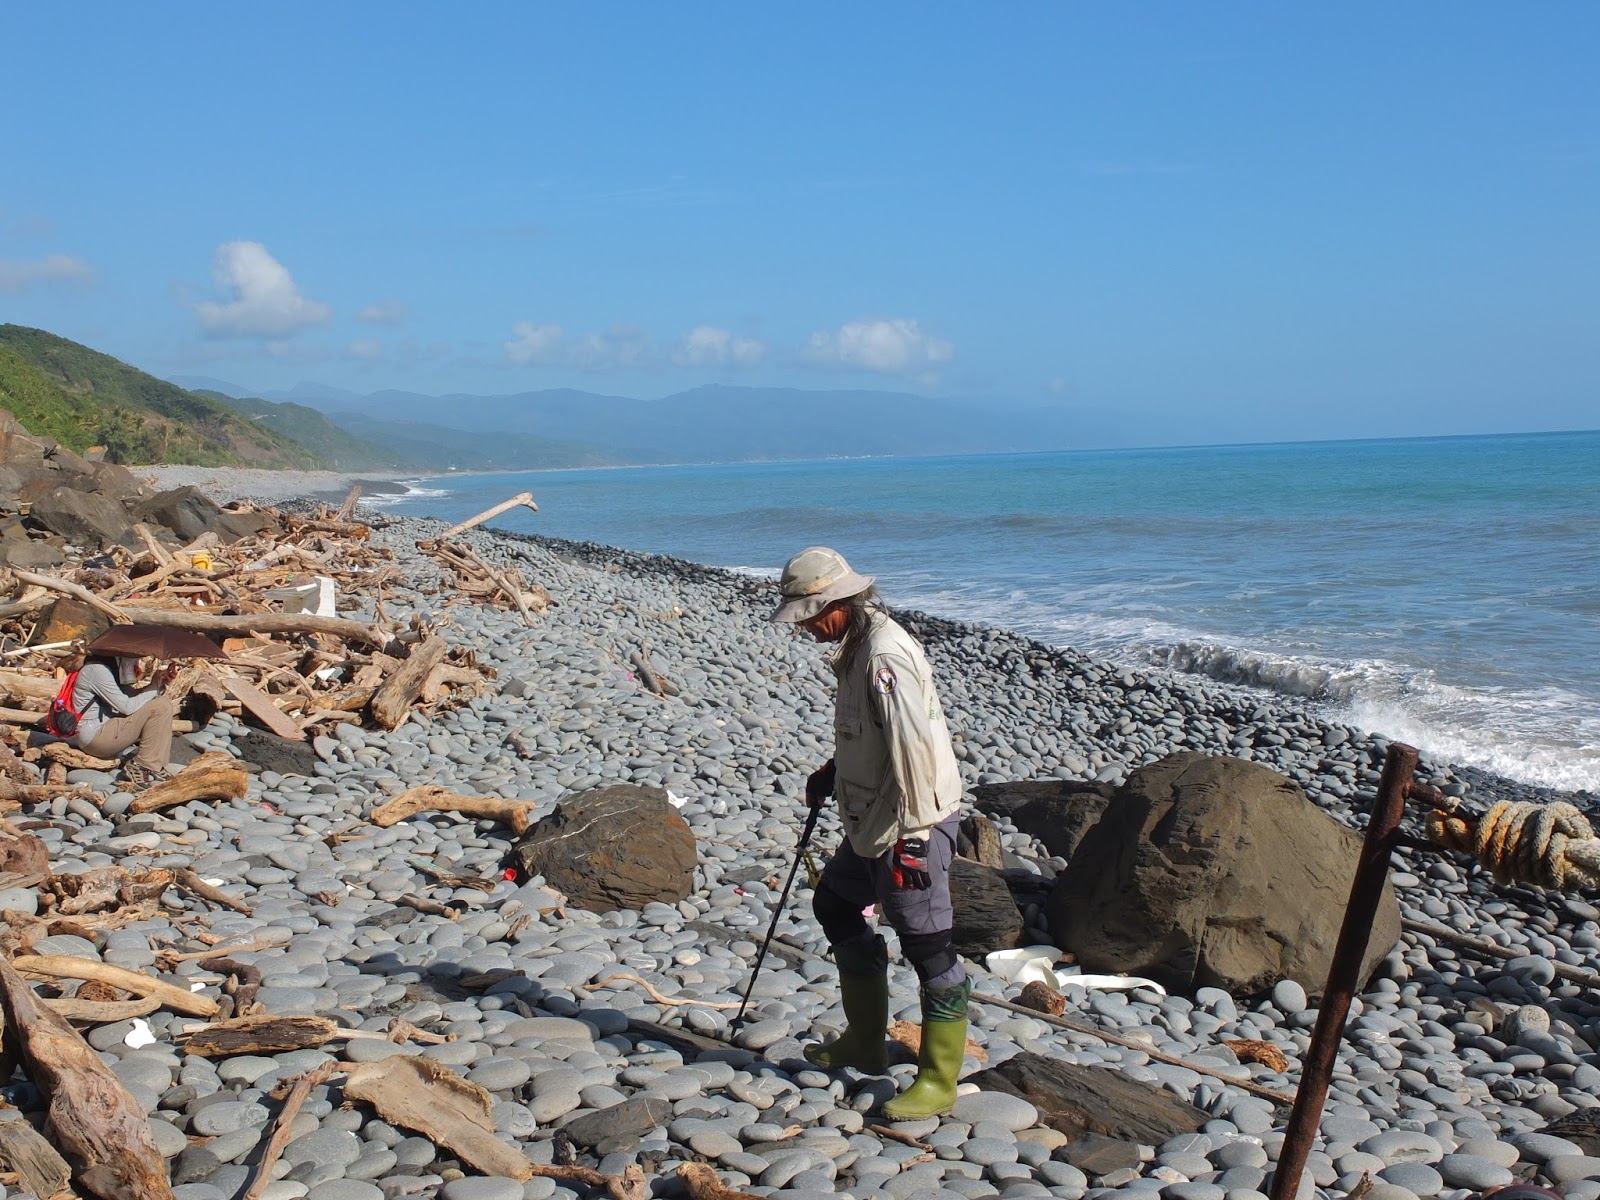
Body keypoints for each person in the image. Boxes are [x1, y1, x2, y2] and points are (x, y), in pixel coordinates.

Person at [771, 546, 968, 1119]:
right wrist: (833, 771)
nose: (805, 627)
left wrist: (915, 840)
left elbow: (916, 750)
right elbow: (873, 735)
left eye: (809, 616)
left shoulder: (884, 655)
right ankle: (865, 1042)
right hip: (871, 818)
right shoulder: (855, 644)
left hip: (910, 821)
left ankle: (938, 1080)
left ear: (837, 604)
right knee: (834, 904)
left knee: (929, 946)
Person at [64, 649, 175, 791]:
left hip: (105, 731)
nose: (137, 662)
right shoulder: (97, 671)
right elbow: (127, 707)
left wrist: (159, 682)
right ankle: (141, 766)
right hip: (95, 738)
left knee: (162, 704)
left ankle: (155, 764)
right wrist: (154, 688)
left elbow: (133, 696)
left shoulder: (109, 668)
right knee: (160, 705)